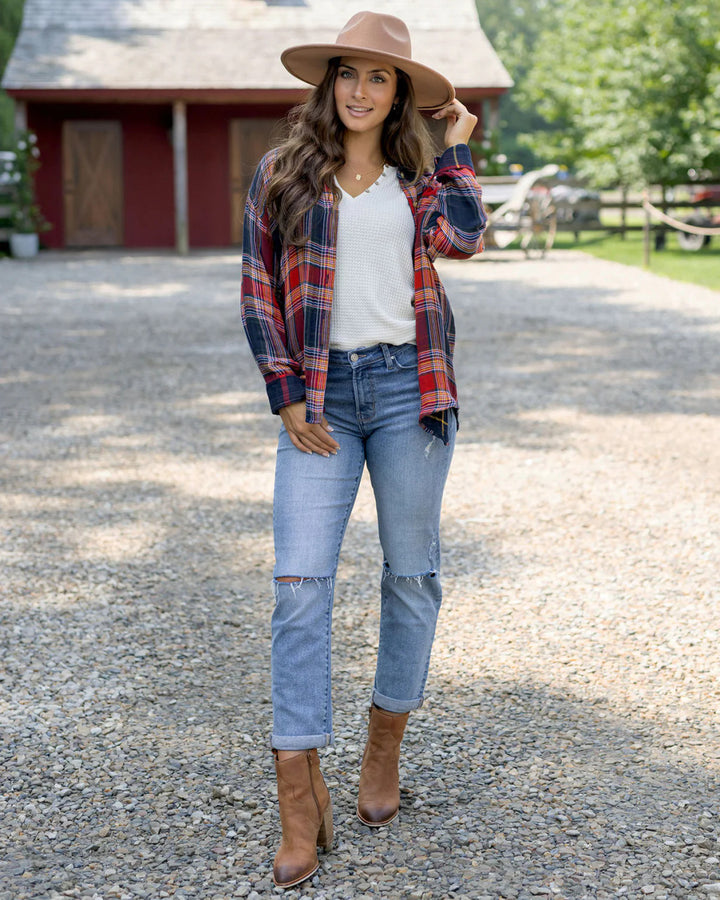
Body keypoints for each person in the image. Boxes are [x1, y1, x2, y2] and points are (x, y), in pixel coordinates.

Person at [241, 10, 486, 889]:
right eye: (347, 74)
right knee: (300, 585)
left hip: (407, 394)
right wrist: (286, 394)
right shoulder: (281, 173)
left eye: (379, 79)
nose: (359, 90)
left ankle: (383, 749)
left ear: (400, 96)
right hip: (321, 401)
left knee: (411, 574)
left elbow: (463, 238)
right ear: (328, 83)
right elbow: (258, 292)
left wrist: (454, 143)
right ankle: (298, 800)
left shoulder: (423, 177)